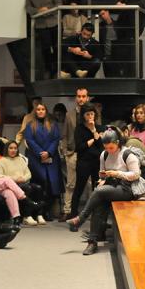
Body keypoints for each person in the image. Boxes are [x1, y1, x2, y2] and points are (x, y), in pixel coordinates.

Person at [67, 127, 140, 255]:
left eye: (111, 148)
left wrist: (117, 174)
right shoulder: (104, 154)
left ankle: (81, 219)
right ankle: (92, 242)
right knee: (99, 204)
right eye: (106, 148)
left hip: (126, 188)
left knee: (99, 192)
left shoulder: (128, 154)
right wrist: (103, 178)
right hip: (110, 187)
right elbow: (102, 175)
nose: (108, 151)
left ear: (117, 143)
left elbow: (136, 175)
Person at [23, 103, 63, 219]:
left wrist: (48, 152)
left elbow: (56, 140)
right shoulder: (30, 125)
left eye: (43, 109)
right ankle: (37, 212)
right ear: (35, 112)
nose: (40, 111)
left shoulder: (53, 125)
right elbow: (30, 140)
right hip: (36, 159)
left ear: (46, 111)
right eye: (38, 109)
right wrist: (40, 153)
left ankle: (47, 211)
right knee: (40, 183)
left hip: (51, 159)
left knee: (52, 184)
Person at [70, 103, 105, 220]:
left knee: (97, 189)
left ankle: (97, 217)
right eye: (87, 114)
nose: (90, 116)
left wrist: (94, 130)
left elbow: (101, 146)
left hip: (97, 162)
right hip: (83, 162)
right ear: (83, 116)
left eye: (92, 114)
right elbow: (79, 147)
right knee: (79, 189)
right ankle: (73, 215)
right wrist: (92, 140)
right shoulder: (79, 129)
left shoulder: (100, 128)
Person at [0, 141, 45, 225]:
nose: (13, 150)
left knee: (38, 187)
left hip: (23, 182)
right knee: (27, 188)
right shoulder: (2, 161)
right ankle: (27, 216)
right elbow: (0, 176)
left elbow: (28, 173)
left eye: (15, 148)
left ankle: (39, 214)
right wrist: (15, 179)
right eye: (11, 148)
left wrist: (23, 178)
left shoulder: (20, 159)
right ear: (6, 149)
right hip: (11, 185)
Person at [26, 0, 63, 79]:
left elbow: (59, 3)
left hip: (54, 22)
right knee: (45, 49)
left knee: (57, 47)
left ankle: (57, 70)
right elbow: (27, 8)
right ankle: (49, 69)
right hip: (41, 24)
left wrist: (47, 9)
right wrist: (38, 11)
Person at [60, 88, 88, 221]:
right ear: (76, 98)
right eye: (79, 96)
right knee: (70, 183)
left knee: (89, 184)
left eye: (83, 96)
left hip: (87, 154)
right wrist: (65, 151)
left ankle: (89, 211)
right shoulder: (69, 115)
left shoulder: (92, 113)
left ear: (87, 98)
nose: (81, 99)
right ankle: (67, 210)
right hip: (72, 152)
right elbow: (64, 134)